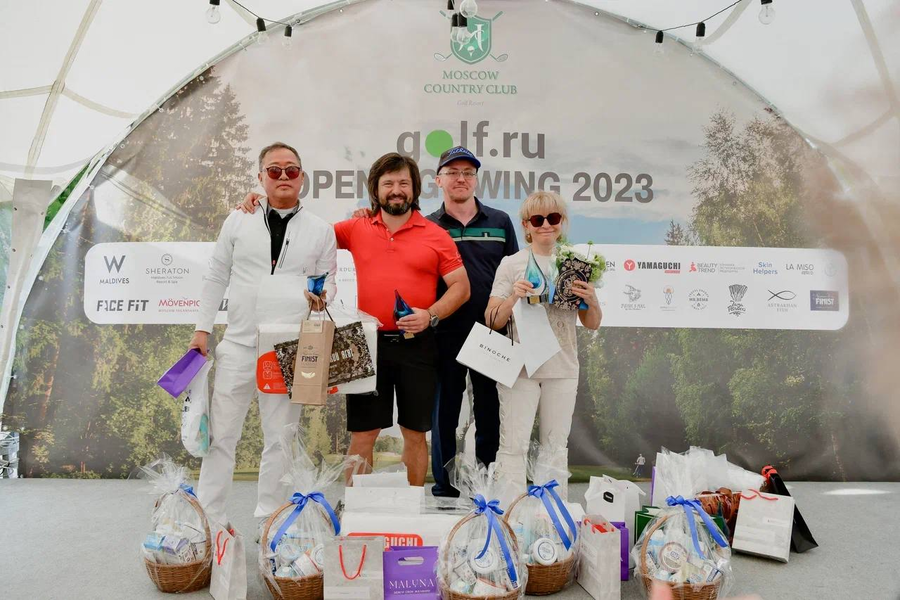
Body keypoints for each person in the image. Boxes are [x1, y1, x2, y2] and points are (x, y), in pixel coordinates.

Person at [237, 153, 471, 486]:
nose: (396, 190)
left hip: (418, 346)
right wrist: (265, 202)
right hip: (367, 345)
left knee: (415, 433)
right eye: (388, 183)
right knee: (364, 433)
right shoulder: (356, 228)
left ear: (415, 188)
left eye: (403, 183)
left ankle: (413, 506)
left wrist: (430, 314)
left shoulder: (436, 235)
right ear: (376, 190)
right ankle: (356, 506)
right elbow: (306, 234)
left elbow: (461, 287)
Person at [190, 142, 336, 526]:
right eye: (274, 170)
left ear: (302, 177)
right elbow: (216, 276)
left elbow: (329, 281)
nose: (283, 176)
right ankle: (210, 520)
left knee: (280, 440)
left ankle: (272, 524)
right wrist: (202, 329)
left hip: (288, 348)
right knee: (221, 437)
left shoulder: (321, 230)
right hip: (238, 345)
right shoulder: (238, 220)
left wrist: (322, 296)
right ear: (260, 177)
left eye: (291, 170)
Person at [485, 190, 601, 500]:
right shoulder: (512, 264)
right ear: (526, 225)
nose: (546, 224)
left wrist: (591, 299)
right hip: (519, 369)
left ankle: (552, 515)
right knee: (513, 446)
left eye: (553, 217)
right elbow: (492, 320)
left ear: (562, 222)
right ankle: (509, 512)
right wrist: (514, 296)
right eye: (538, 219)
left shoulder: (576, 264)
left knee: (555, 448)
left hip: (563, 367)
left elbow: (592, 323)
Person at [427, 146, 518, 497]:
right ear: (439, 180)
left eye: (468, 173)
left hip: (491, 332)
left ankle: (487, 484)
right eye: (452, 172)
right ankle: (444, 486)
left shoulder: (500, 221)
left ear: (476, 179)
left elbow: (514, 273)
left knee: (490, 411)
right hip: (444, 332)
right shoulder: (427, 225)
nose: (461, 179)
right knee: (444, 413)